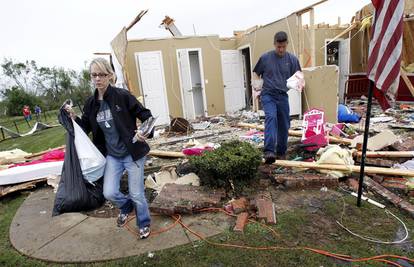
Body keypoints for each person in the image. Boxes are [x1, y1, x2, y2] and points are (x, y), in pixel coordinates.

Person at [67, 57, 153, 239]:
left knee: (136, 193)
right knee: (109, 192)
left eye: (101, 75)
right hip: (112, 156)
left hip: (132, 153)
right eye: (94, 75)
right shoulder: (91, 103)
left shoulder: (122, 96)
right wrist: (74, 118)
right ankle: (126, 206)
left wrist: (143, 132)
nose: (97, 79)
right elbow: (86, 128)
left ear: (110, 76)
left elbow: (146, 116)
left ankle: (143, 223)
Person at [252, 31, 301, 164]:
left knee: (284, 123)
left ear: (286, 44)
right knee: (271, 117)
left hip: (282, 96)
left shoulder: (292, 60)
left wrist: (298, 83)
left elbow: (298, 75)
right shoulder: (266, 58)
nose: (281, 49)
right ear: (274, 44)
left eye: (283, 47)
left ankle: (281, 152)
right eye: (278, 47)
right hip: (268, 94)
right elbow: (256, 73)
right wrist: (257, 87)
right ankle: (269, 151)